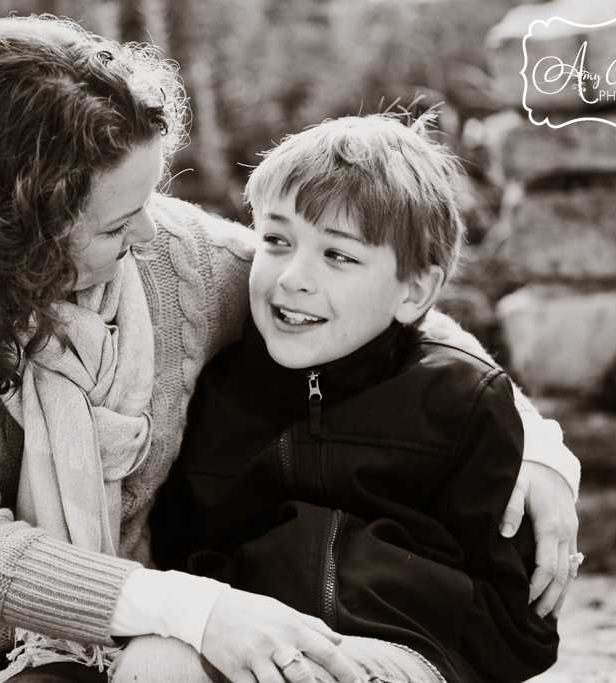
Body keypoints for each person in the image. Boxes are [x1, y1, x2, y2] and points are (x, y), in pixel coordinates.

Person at [0, 14, 578, 683]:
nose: (149, 233)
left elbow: (391, 313)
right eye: (117, 221)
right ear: (13, 224)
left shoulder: (165, 261)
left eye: (151, 200)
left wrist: (541, 453)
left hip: (66, 653)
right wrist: (201, 609)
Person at [110, 115, 567, 683]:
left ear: (415, 291)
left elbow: (502, 593)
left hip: (398, 652)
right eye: (276, 241)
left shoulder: (459, 400)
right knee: (154, 663)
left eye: (339, 255)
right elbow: (181, 543)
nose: (293, 277)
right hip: (249, 638)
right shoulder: (214, 386)